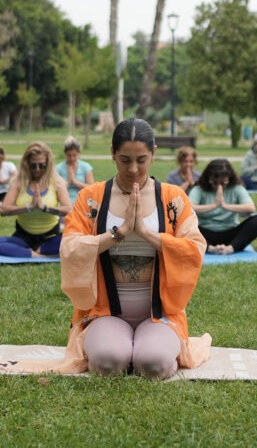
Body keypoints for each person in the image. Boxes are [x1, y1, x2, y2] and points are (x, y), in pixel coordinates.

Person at [57, 118, 208, 377]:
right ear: (112, 154)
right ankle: (117, 347)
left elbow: (195, 247)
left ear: (154, 154)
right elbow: (69, 246)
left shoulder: (173, 197)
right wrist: (120, 232)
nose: (134, 169)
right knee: (107, 363)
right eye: (125, 159)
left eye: (142, 159)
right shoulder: (91, 198)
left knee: (153, 365)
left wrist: (147, 234)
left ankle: (150, 350)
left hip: (158, 313)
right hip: (104, 311)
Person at [0, 142, 71, 258]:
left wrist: (45, 208)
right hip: (23, 238)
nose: (37, 169)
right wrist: (29, 207)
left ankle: (28, 252)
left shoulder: (57, 182)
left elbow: (68, 209)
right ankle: (38, 255)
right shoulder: (18, 182)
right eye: (33, 166)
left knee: (74, 239)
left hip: (50, 237)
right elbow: (4, 210)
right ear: (27, 164)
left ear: (47, 164)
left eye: (41, 165)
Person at [188, 159, 257, 255]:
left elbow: (251, 207)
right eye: (214, 183)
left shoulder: (236, 188)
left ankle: (230, 249)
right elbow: (189, 208)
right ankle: (209, 248)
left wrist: (225, 206)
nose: (218, 187)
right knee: (182, 224)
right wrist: (214, 205)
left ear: (229, 179)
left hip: (230, 233)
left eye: (223, 183)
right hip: (204, 234)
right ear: (208, 178)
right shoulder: (199, 189)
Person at [55, 137, 94, 204]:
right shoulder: (58, 168)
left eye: (74, 155)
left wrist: (75, 182)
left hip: (82, 201)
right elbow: (56, 191)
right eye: (69, 155)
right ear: (65, 154)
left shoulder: (86, 167)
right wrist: (69, 182)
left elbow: (92, 189)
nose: (72, 158)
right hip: (64, 202)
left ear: (79, 153)